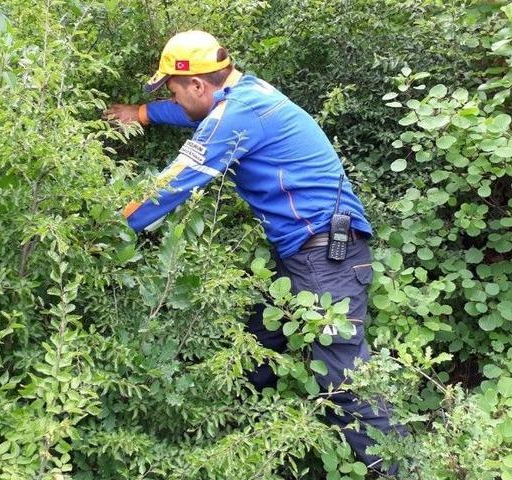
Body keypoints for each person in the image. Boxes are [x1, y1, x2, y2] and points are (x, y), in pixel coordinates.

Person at [105, 30, 405, 474]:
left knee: (344, 379)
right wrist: (144, 113)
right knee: (256, 348)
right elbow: (194, 116)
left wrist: (109, 226)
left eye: (173, 89)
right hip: (309, 255)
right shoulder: (247, 96)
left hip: (325, 257)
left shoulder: (236, 113)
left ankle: (401, 467)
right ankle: (227, 441)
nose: (176, 97)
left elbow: (175, 181)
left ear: (198, 85)